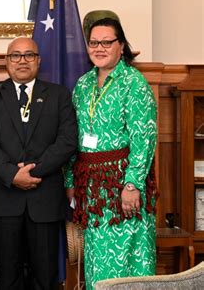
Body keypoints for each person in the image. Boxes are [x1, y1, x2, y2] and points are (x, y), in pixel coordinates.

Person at [0, 37, 78, 290]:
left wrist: (32, 172)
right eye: (16, 55)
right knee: (8, 278)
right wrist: (12, 175)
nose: (22, 60)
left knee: (45, 277)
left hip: (44, 197)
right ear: (6, 61)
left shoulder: (58, 95)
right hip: (3, 198)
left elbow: (67, 141)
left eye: (29, 55)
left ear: (38, 61)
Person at [65, 17, 158, 289]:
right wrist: (71, 183)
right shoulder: (82, 84)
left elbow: (144, 137)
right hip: (91, 190)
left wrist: (132, 184)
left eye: (107, 41)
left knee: (127, 261)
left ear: (121, 46)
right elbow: (74, 136)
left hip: (122, 185)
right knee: (96, 260)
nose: (100, 47)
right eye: (94, 42)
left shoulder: (134, 83)